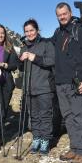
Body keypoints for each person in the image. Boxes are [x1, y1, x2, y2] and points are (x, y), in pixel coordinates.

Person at [52, 2, 82, 163]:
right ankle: (74, 147)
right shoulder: (58, 32)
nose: (62, 17)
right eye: (59, 15)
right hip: (61, 83)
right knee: (68, 118)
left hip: (76, 83)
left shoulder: (80, 32)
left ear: (70, 13)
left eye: (64, 13)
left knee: (79, 117)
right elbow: (50, 46)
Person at [19, 19, 55, 155]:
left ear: (37, 30)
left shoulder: (46, 43)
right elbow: (21, 68)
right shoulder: (24, 47)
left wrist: (35, 58)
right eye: (26, 31)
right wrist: (20, 61)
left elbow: (52, 61)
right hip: (28, 87)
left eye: (31, 30)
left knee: (45, 115)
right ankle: (37, 138)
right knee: (33, 116)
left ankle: (45, 140)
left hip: (44, 87)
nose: (29, 33)